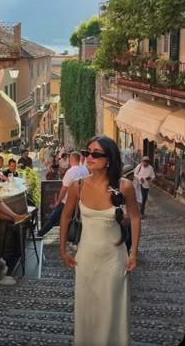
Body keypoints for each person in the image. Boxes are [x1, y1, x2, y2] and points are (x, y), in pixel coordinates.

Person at [60, 136, 141, 346]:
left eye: (96, 154)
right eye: (87, 152)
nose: (89, 157)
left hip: (114, 259)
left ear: (109, 159)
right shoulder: (77, 186)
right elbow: (66, 216)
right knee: (87, 309)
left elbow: (135, 216)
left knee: (110, 308)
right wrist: (63, 250)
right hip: (85, 258)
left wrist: (133, 253)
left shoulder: (125, 187)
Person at [38, 151, 89, 237]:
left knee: (54, 219)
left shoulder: (70, 172)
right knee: (78, 221)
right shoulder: (85, 170)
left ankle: (40, 234)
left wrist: (57, 202)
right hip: (81, 201)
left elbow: (64, 189)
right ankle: (76, 239)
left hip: (68, 201)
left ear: (71, 159)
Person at [122, 164, 142, 253]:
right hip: (125, 212)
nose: (132, 176)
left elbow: (138, 195)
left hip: (133, 211)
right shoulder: (123, 184)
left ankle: (131, 248)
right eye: (130, 175)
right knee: (125, 232)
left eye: (132, 174)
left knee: (131, 232)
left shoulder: (136, 181)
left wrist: (139, 206)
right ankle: (125, 250)